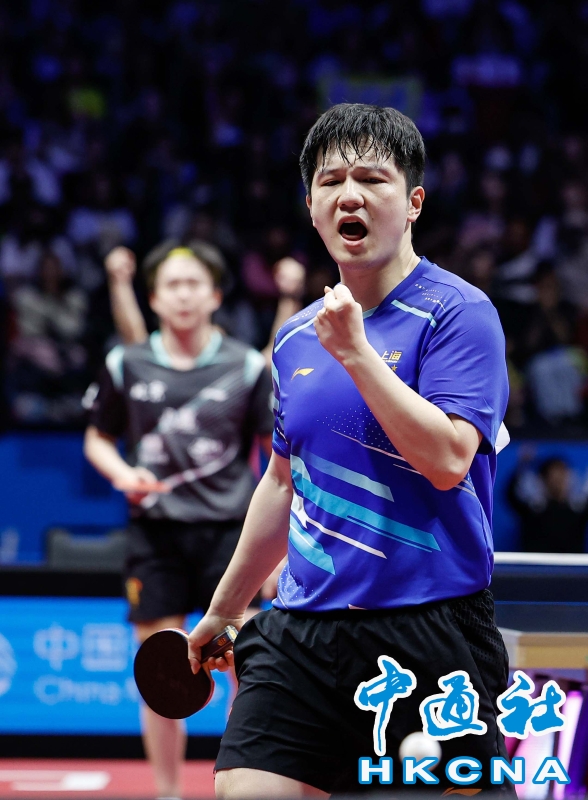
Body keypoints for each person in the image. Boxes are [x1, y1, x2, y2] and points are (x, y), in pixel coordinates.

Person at [188, 102, 513, 798]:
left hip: (428, 630)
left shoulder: (458, 315)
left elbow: (448, 461)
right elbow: (282, 482)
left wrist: (358, 354)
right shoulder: (296, 337)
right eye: (331, 181)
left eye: (372, 178)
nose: (350, 195)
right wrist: (226, 606)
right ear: (311, 208)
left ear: (413, 202)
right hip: (303, 630)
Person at [83, 240, 275, 800]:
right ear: (153, 298)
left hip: (231, 535)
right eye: (172, 285)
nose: (184, 294)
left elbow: (276, 458)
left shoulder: (246, 366)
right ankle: (168, 794)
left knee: (244, 663)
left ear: (215, 296)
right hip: (156, 532)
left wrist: (275, 551)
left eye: (195, 284)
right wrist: (124, 474)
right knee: (161, 672)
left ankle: (242, 787)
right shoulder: (126, 363)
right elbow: (98, 438)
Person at [508, 452, 588, 553]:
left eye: (562, 476)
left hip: (572, 562)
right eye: (554, 477)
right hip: (535, 562)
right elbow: (511, 494)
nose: (559, 482)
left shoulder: (578, 510)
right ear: (543, 480)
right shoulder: (532, 510)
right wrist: (523, 465)